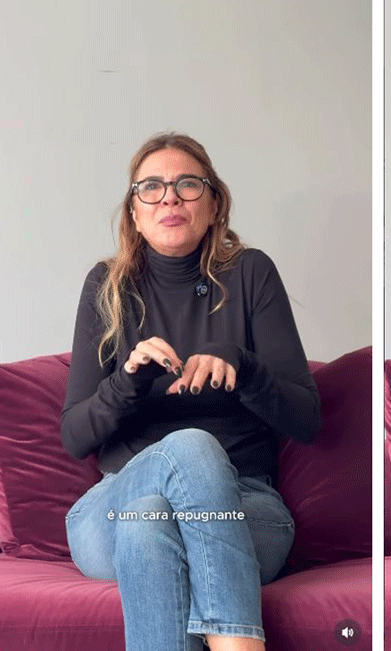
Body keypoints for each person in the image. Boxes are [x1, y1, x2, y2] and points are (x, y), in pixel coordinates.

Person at [60, 132, 321, 651]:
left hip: (246, 504)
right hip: (113, 505)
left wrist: (241, 365)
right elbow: (74, 435)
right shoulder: (107, 287)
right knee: (188, 449)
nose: (170, 198)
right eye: (151, 188)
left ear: (214, 203)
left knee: (148, 527)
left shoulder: (251, 274)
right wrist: (128, 381)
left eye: (187, 185)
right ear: (134, 213)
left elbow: (307, 420)